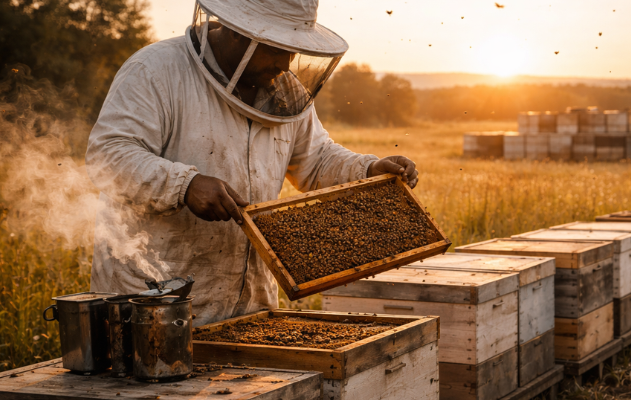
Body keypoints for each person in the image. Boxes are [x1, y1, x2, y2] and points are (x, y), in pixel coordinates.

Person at [86, 0, 418, 325]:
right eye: (275, 48)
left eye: (292, 49)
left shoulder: (285, 90)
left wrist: (368, 170)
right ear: (236, 31)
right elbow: (109, 155)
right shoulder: (155, 71)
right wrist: (184, 186)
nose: (286, 63)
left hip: (248, 308)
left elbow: (316, 160)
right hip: (153, 306)